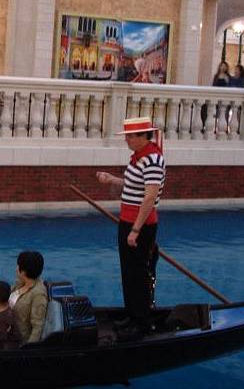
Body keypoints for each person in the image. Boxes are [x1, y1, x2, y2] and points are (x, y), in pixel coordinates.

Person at [96, 116, 165, 340]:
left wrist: (135, 230)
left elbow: (150, 198)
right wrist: (112, 179)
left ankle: (142, 322)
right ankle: (132, 315)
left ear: (143, 136)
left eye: (130, 136)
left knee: (138, 274)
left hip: (141, 226)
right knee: (128, 271)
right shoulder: (138, 158)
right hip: (128, 221)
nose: (126, 140)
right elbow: (132, 184)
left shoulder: (153, 160)